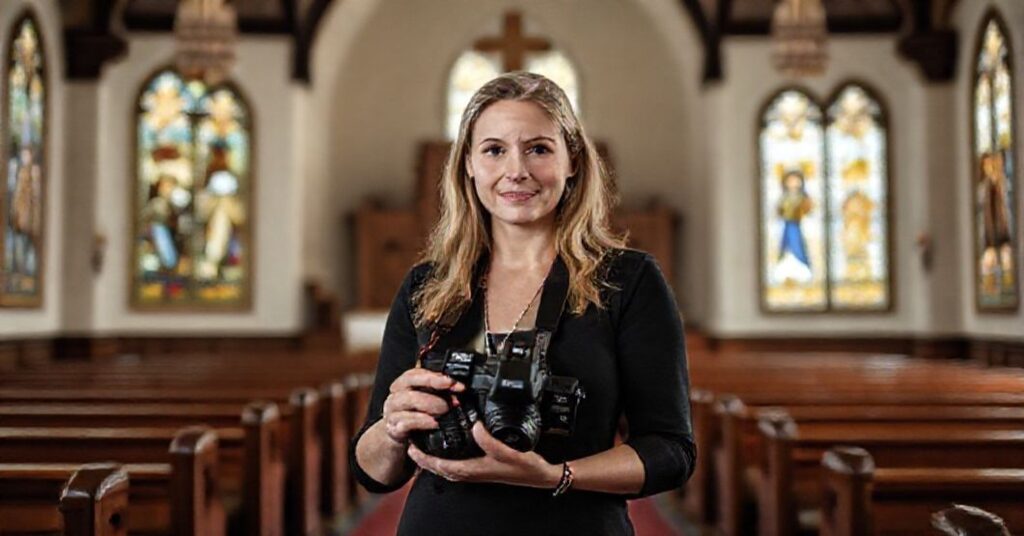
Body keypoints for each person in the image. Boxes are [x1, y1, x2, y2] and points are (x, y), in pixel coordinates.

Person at [350, 72, 695, 535]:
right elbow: (373, 473)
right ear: (468, 165)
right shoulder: (427, 285)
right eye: (494, 150)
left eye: (538, 148)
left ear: (572, 160)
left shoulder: (628, 281)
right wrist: (392, 427)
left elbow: (670, 451)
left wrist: (555, 476)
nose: (517, 171)